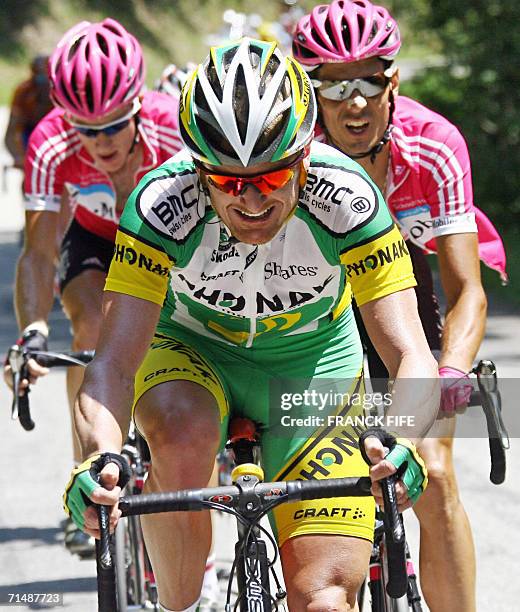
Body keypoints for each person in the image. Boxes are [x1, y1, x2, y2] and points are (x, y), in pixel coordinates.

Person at [62, 38, 439, 611]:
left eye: (271, 178)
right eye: (229, 182)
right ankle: (180, 600)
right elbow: (112, 361)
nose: (252, 200)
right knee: (181, 433)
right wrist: (99, 456)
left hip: (311, 366)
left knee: (325, 600)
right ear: (197, 169)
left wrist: (406, 441)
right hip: (191, 351)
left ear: (306, 159)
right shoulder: (160, 204)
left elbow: (411, 352)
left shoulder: (349, 200)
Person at [292, 1, 507, 611]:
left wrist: (450, 374)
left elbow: (466, 291)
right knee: (319, 480)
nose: (354, 101)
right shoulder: (293, 154)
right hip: (321, 299)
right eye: (332, 85)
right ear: (309, 94)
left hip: (408, 294)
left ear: (394, 80)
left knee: (433, 472)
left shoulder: (434, 145)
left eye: (369, 80)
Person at [3, 18, 183, 558]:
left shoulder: (169, 126)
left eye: (113, 127)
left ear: (137, 107)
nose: (100, 141)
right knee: (89, 324)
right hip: (94, 239)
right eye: (86, 128)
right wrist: (31, 329)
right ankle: (91, 473)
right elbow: (37, 254)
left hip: (169, 238)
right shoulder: (51, 142)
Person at [4, 55, 54, 170]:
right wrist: (19, 157)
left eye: (45, 72)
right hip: (29, 131)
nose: (42, 78)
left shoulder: (60, 90)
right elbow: (12, 130)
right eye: (38, 73)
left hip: (52, 132)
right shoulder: (23, 91)